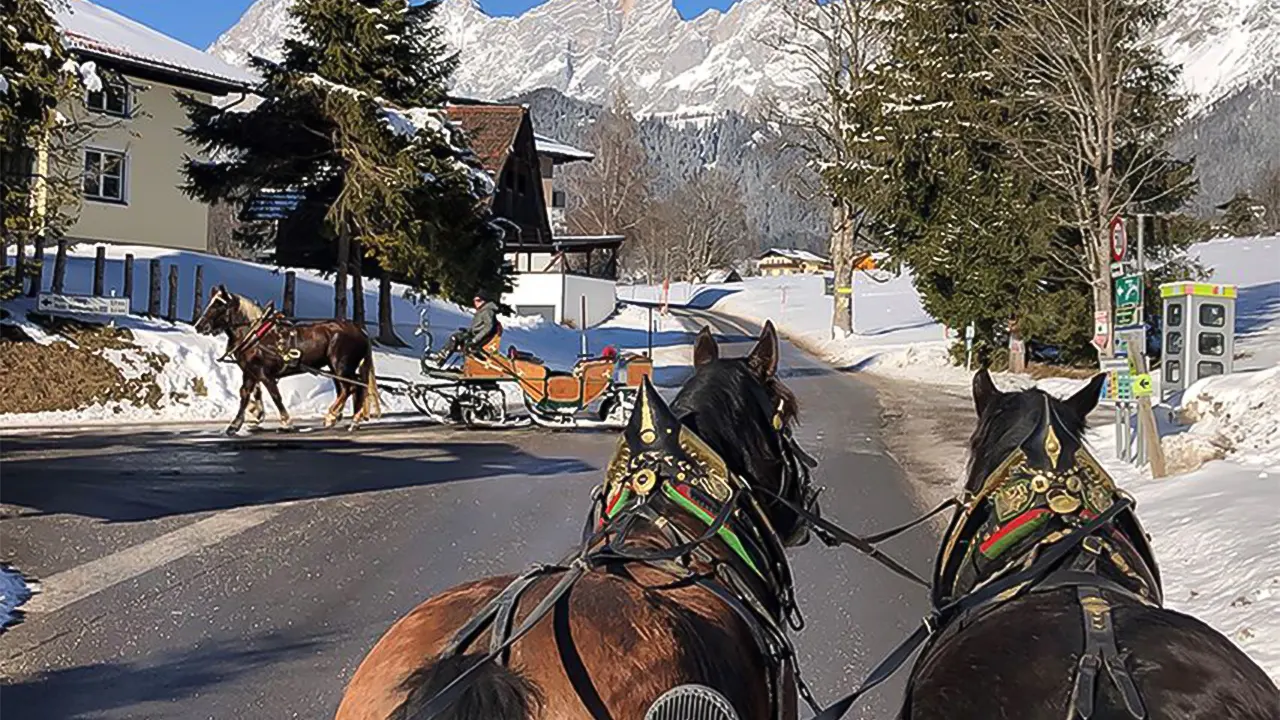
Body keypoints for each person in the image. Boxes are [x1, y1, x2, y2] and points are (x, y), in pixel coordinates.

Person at [432, 290, 499, 365]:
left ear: (484, 301)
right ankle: (441, 358)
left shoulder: (487, 311)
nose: (475, 302)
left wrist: (475, 340)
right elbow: (479, 326)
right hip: (474, 335)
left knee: (455, 339)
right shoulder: (482, 311)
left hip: (478, 339)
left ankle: (440, 359)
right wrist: (468, 331)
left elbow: (489, 327)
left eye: (478, 300)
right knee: (456, 338)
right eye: (474, 300)